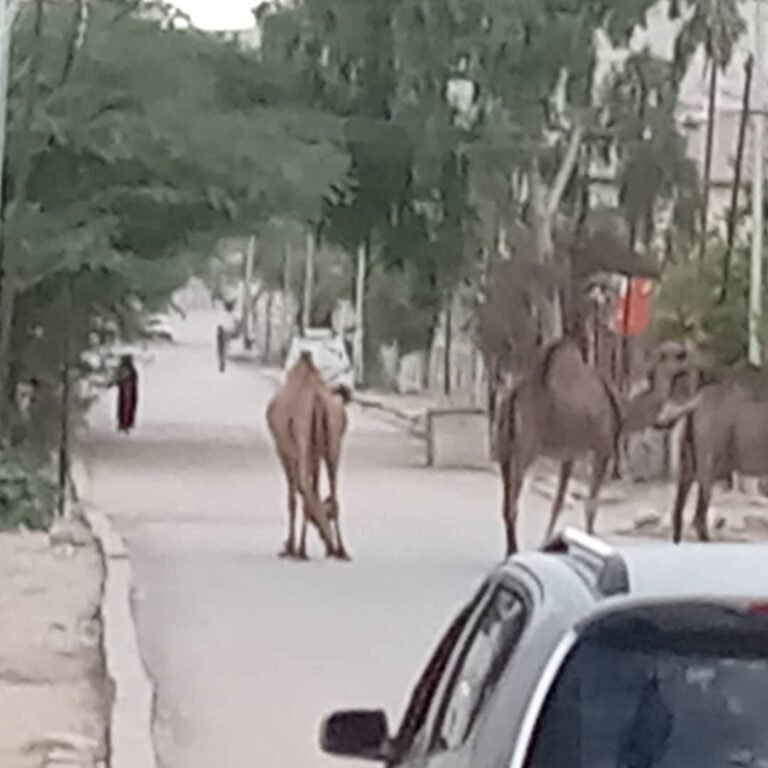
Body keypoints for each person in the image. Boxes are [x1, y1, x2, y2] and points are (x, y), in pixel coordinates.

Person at [115, 354, 139, 434]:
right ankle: (125, 424)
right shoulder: (129, 369)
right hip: (127, 389)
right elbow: (122, 378)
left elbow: (120, 378)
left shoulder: (126, 369)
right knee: (126, 406)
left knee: (125, 406)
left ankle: (124, 424)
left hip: (127, 389)